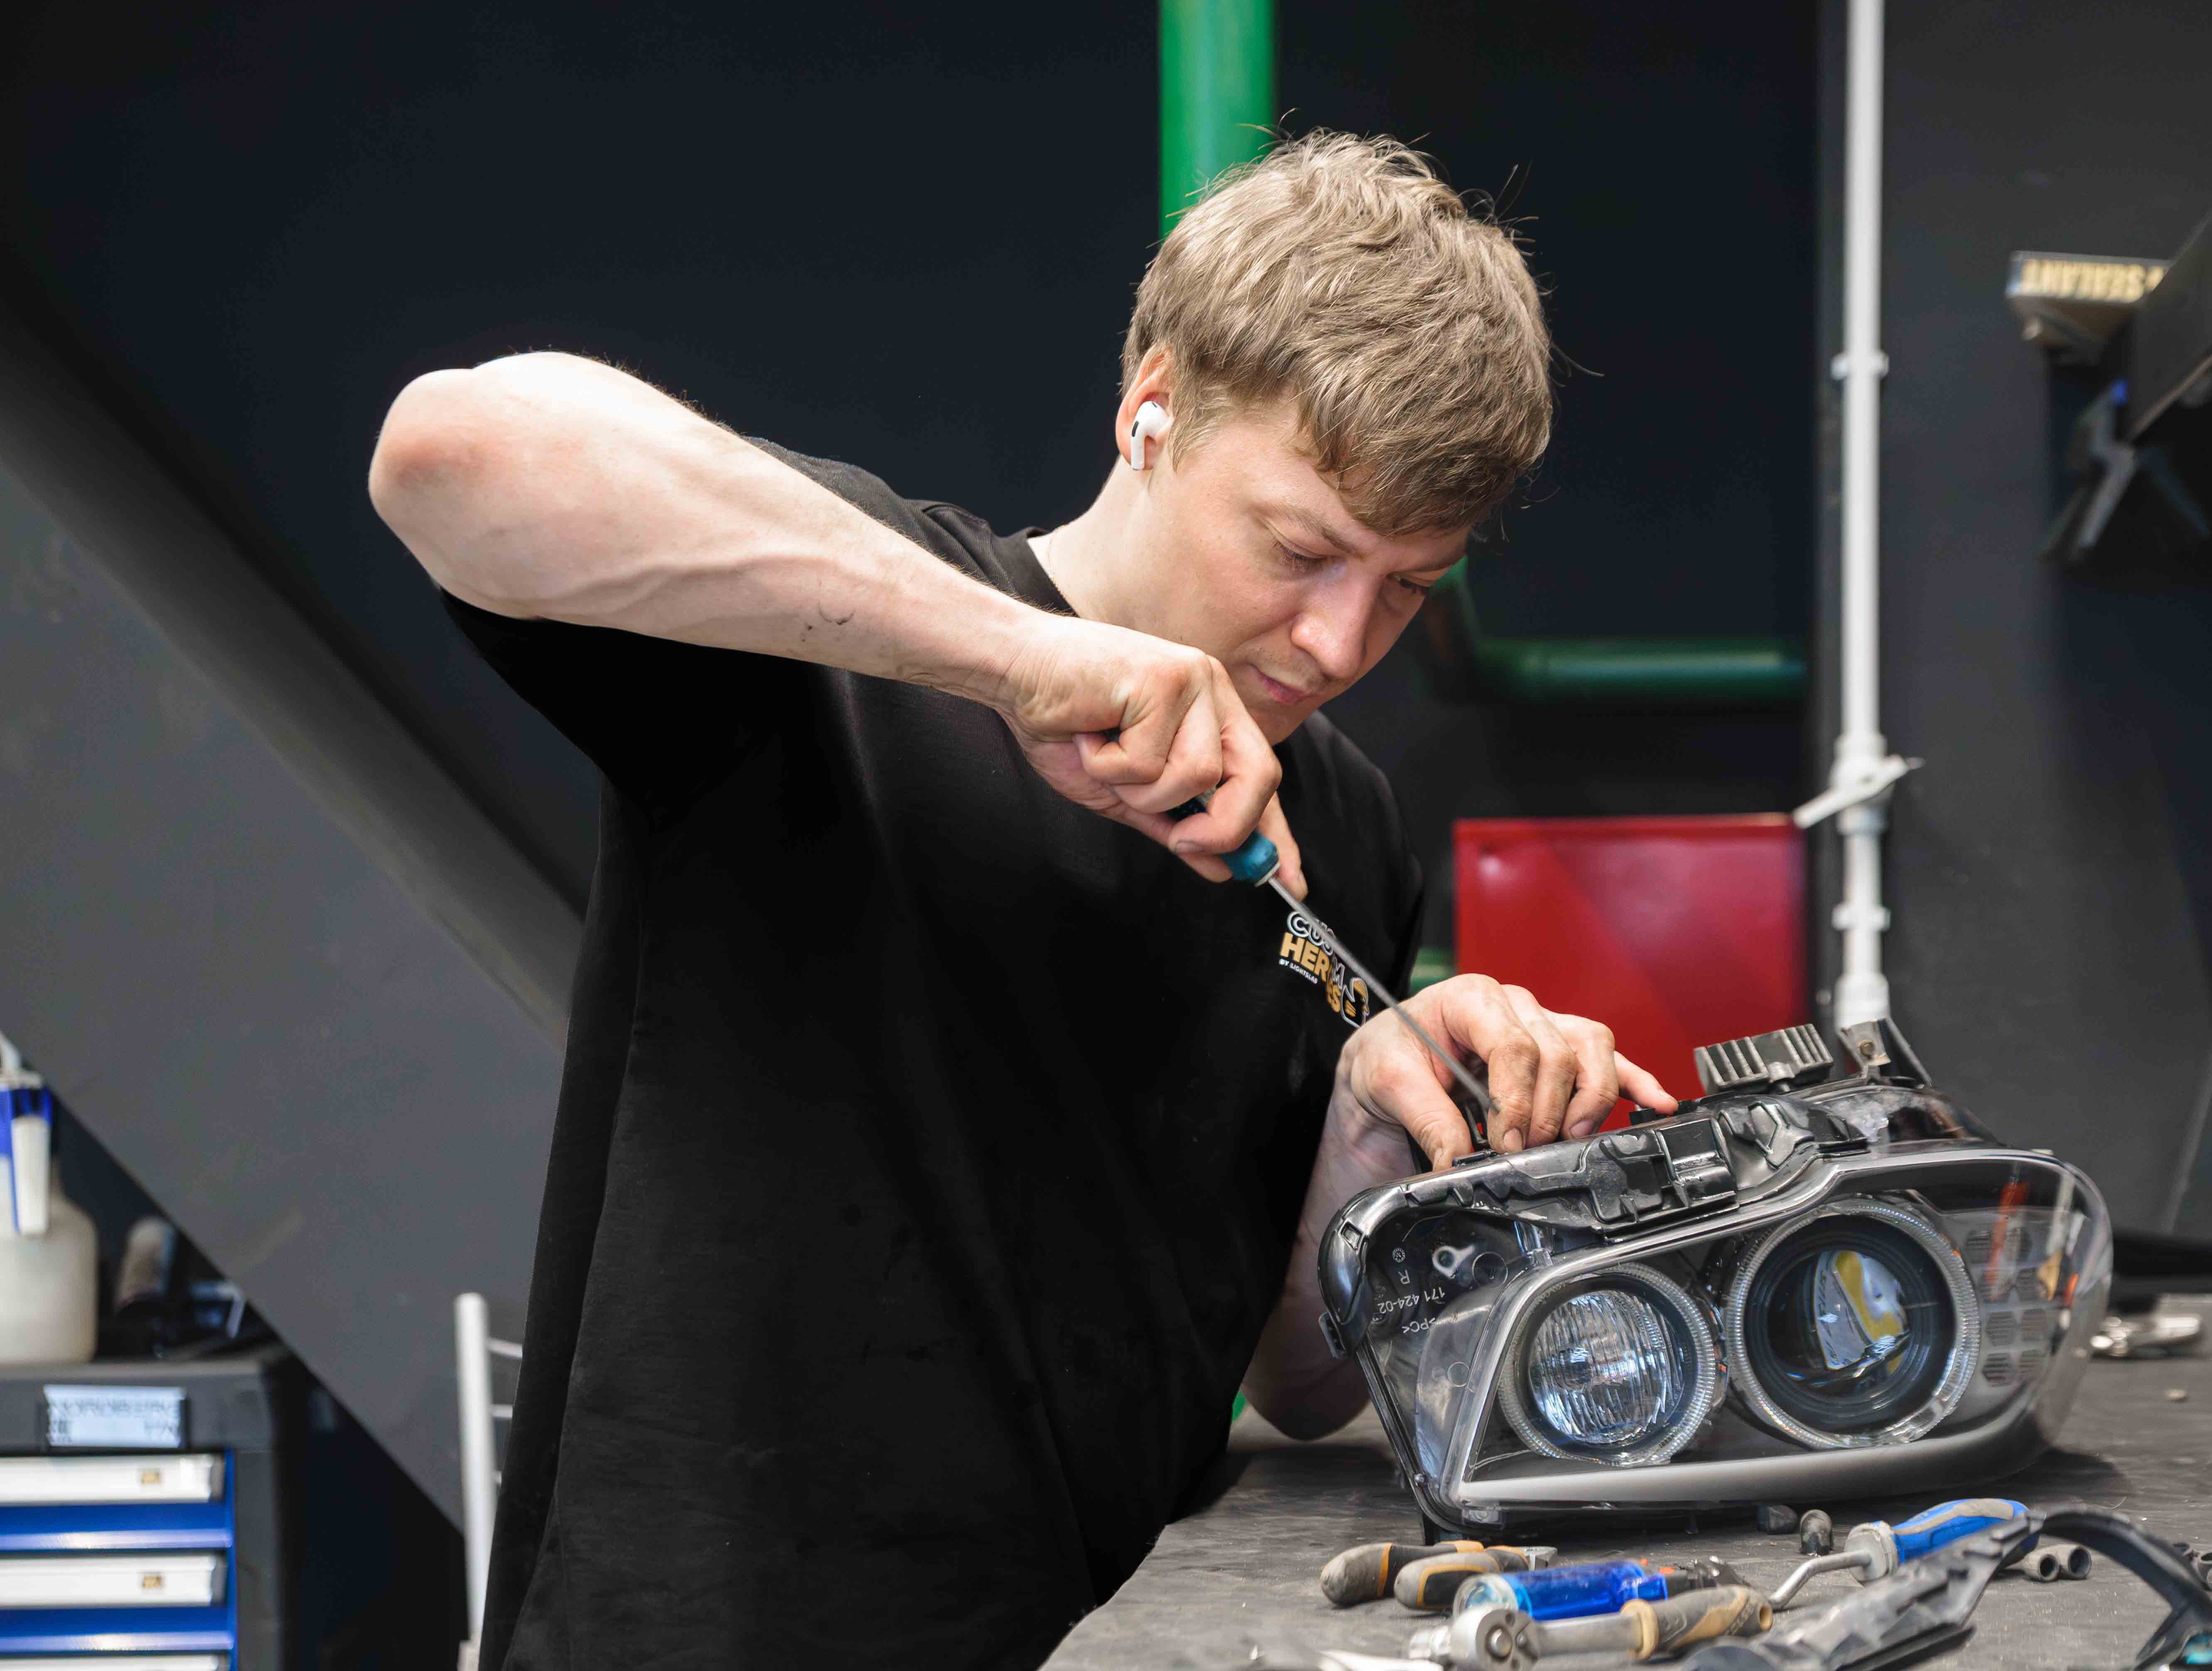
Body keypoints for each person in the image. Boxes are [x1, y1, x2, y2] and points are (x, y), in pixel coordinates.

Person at [369, 131, 1676, 1670]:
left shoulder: (1342, 823)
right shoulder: (840, 646)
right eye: (1299, 550)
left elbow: (1300, 1383)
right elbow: (448, 453)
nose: (1337, 644)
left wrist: (1364, 1130)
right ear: (1152, 407)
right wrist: (1021, 662)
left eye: (1405, 587)